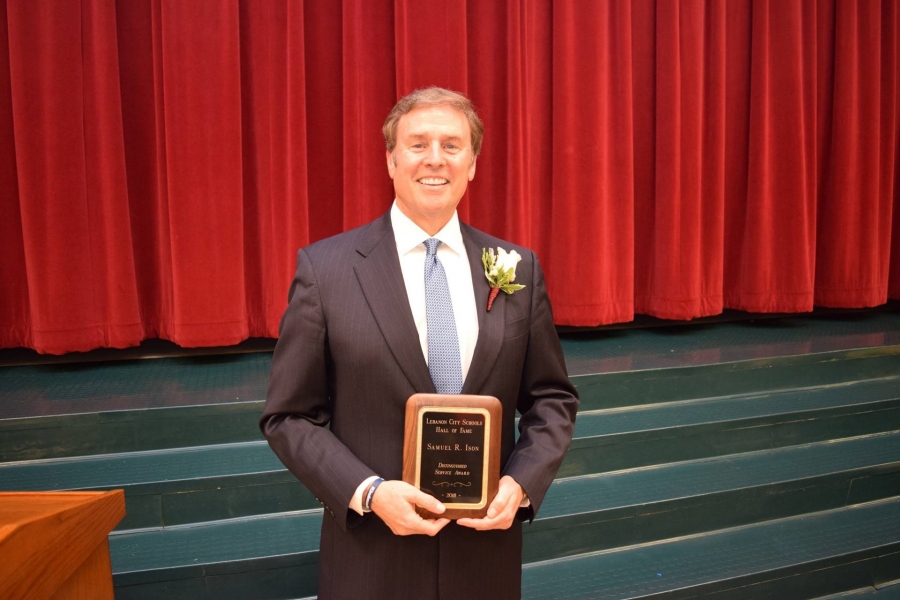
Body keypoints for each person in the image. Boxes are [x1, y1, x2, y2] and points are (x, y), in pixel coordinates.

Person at [260, 86, 578, 600]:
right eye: (417, 144)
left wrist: (520, 483)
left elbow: (551, 398)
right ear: (390, 159)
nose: (435, 159)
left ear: (472, 163)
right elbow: (288, 416)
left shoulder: (517, 268)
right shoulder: (326, 271)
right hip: (372, 560)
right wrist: (370, 493)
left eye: (452, 146)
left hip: (483, 562)